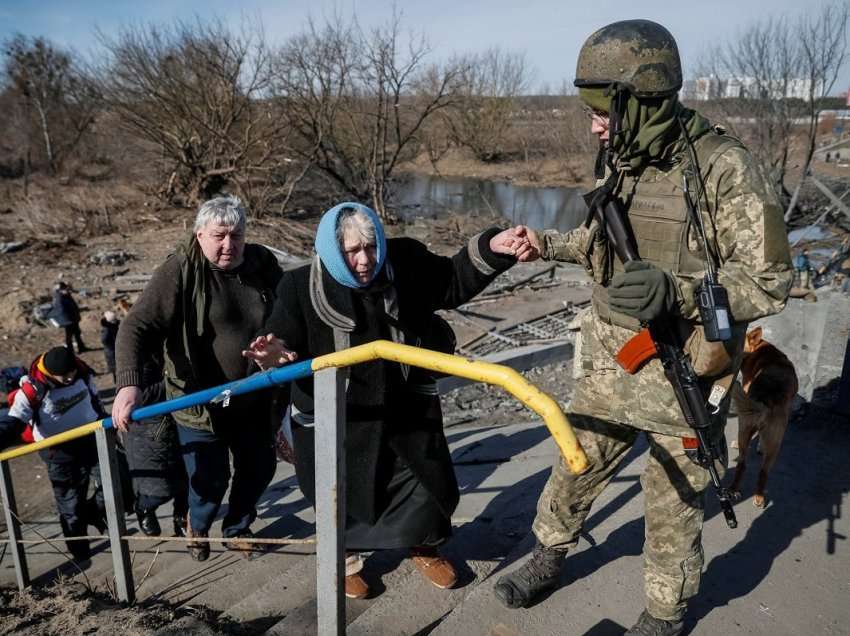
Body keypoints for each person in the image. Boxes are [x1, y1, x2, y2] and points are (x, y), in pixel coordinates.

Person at [491, 20, 793, 636]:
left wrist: (679, 292)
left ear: (645, 99)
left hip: (683, 372)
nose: (594, 125)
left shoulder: (726, 169)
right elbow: (603, 245)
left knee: (674, 500)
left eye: (603, 110)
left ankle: (662, 614)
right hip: (611, 359)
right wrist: (544, 243)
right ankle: (548, 554)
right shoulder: (623, 161)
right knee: (576, 463)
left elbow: (769, 280)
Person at [243, 202, 531, 599]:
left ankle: (423, 546)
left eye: (371, 247)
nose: (365, 261)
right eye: (352, 251)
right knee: (342, 493)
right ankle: (344, 561)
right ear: (332, 250)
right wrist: (273, 354)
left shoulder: (405, 258)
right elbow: (281, 337)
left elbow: (451, 281)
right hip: (340, 418)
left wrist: (494, 247)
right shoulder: (298, 286)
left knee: (424, 484)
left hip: (406, 406)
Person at [112, 195, 283, 562]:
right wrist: (128, 385)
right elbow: (136, 325)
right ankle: (198, 524)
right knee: (209, 478)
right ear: (200, 234)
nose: (229, 244)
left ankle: (238, 528)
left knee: (259, 467)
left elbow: (286, 314)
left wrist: (281, 346)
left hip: (254, 395)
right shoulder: (180, 269)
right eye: (219, 235)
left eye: (236, 235)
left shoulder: (261, 263)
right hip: (200, 401)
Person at [0, 346, 107, 561]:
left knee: (118, 482)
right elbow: (13, 423)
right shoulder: (32, 389)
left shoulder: (81, 372)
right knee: (70, 502)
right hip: (57, 451)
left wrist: (105, 420)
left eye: (71, 373)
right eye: (62, 375)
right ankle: (80, 552)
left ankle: (91, 513)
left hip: (92, 437)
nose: (68, 378)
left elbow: (94, 399)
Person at [124, 352, 189, 538]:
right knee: (158, 490)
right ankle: (144, 508)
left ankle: (181, 517)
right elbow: (141, 396)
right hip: (147, 430)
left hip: (177, 420)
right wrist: (177, 382)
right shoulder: (138, 358)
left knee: (186, 479)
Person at [51, 281, 87, 353]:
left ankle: (81, 347)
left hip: (73, 318)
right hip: (68, 320)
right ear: (61, 290)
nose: (68, 291)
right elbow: (61, 310)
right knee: (69, 336)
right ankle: (70, 351)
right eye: (65, 289)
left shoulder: (66, 296)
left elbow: (71, 291)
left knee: (77, 333)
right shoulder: (59, 297)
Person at [101, 310, 120, 381]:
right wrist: (114, 345)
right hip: (112, 353)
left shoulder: (112, 326)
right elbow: (104, 340)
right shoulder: (107, 329)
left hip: (113, 351)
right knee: (115, 369)